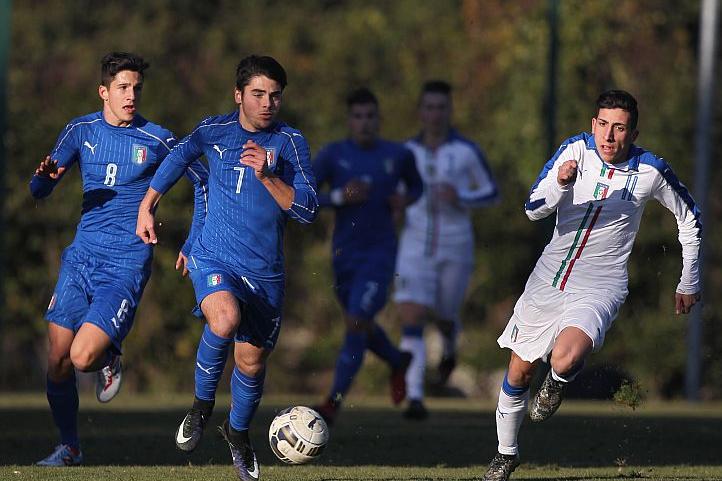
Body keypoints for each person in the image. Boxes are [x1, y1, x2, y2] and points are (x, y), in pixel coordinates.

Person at [481, 89, 702, 481]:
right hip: (548, 279)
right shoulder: (574, 152)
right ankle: (506, 454)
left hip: (600, 284)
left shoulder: (650, 170)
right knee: (518, 373)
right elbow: (533, 208)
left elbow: (690, 219)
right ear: (592, 125)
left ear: (633, 133)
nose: (609, 136)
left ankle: (558, 382)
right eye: (603, 125)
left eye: (619, 128)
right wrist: (561, 185)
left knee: (565, 358)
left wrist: (689, 280)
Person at [136, 55, 318, 481]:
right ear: (239, 95)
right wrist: (148, 206)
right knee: (224, 319)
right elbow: (178, 159)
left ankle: (237, 433)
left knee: (251, 362)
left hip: (265, 272)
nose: (267, 103)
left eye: (275, 95)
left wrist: (269, 176)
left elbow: (308, 211)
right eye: (257, 94)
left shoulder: (291, 143)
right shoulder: (213, 131)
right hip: (215, 255)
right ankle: (201, 407)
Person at [32, 52, 208, 466]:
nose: (131, 96)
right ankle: (70, 447)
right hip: (81, 258)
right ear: (104, 92)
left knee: (81, 357)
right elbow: (39, 191)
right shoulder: (80, 130)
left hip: (125, 264)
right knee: (57, 359)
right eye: (123, 88)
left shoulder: (158, 139)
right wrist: (42, 178)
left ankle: (108, 354)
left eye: (137, 88)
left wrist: (195, 240)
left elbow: (203, 181)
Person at [312, 88, 423, 425]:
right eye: (358, 116)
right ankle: (395, 359)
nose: (365, 123)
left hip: (381, 253)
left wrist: (404, 200)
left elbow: (416, 187)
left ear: (379, 119)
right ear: (349, 121)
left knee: (358, 318)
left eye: (370, 116)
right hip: (344, 254)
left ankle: (332, 402)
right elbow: (307, 197)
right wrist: (339, 196)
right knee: (357, 322)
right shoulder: (333, 155)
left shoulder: (398, 154)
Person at [393, 81, 498, 419]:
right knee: (412, 315)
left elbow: (491, 192)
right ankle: (414, 397)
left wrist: (461, 197)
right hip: (413, 245)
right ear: (420, 111)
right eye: (429, 107)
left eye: (441, 107)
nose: (435, 114)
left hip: (455, 245)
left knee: (445, 315)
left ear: (449, 111)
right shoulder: (406, 151)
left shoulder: (465, 151)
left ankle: (449, 348)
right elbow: (393, 191)